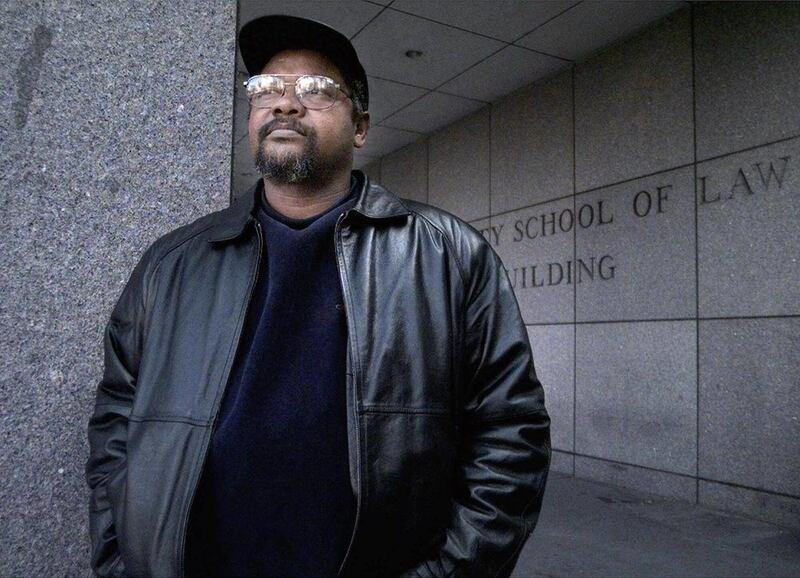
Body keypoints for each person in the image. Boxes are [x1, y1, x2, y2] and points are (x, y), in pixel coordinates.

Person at [85, 14, 551, 578]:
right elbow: (116, 421)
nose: (284, 103)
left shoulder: (447, 255)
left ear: (360, 127)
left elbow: (510, 437)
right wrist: (120, 559)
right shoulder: (172, 264)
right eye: (266, 89)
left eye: (315, 90)